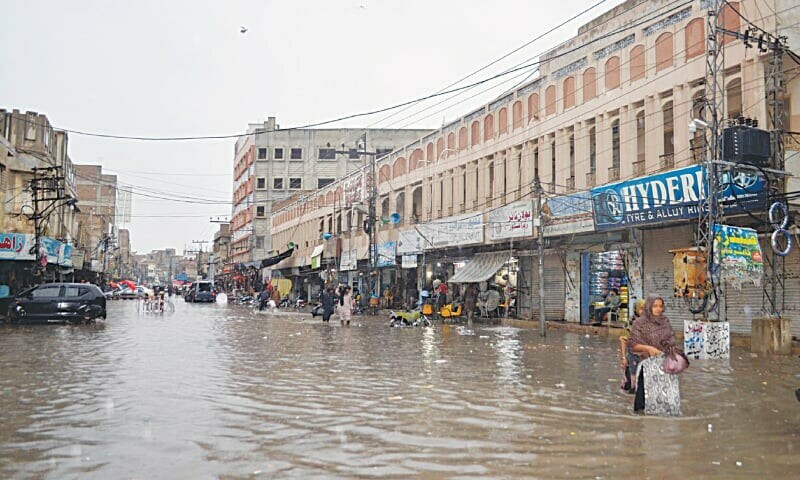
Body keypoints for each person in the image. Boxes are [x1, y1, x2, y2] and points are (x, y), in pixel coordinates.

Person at [628, 294, 689, 416]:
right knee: (643, 397)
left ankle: (667, 417)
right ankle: (639, 423)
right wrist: (648, 348)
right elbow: (633, 344)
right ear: (648, 306)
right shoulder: (639, 323)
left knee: (669, 394)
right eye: (655, 306)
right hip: (647, 365)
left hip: (665, 363)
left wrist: (671, 349)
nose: (658, 309)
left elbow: (671, 339)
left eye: (661, 306)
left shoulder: (665, 321)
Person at [619, 298, 646, 393]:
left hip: (646, 358)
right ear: (636, 309)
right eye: (641, 308)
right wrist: (623, 358)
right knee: (631, 386)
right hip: (633, 357)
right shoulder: (630, 323)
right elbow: (623, 340)